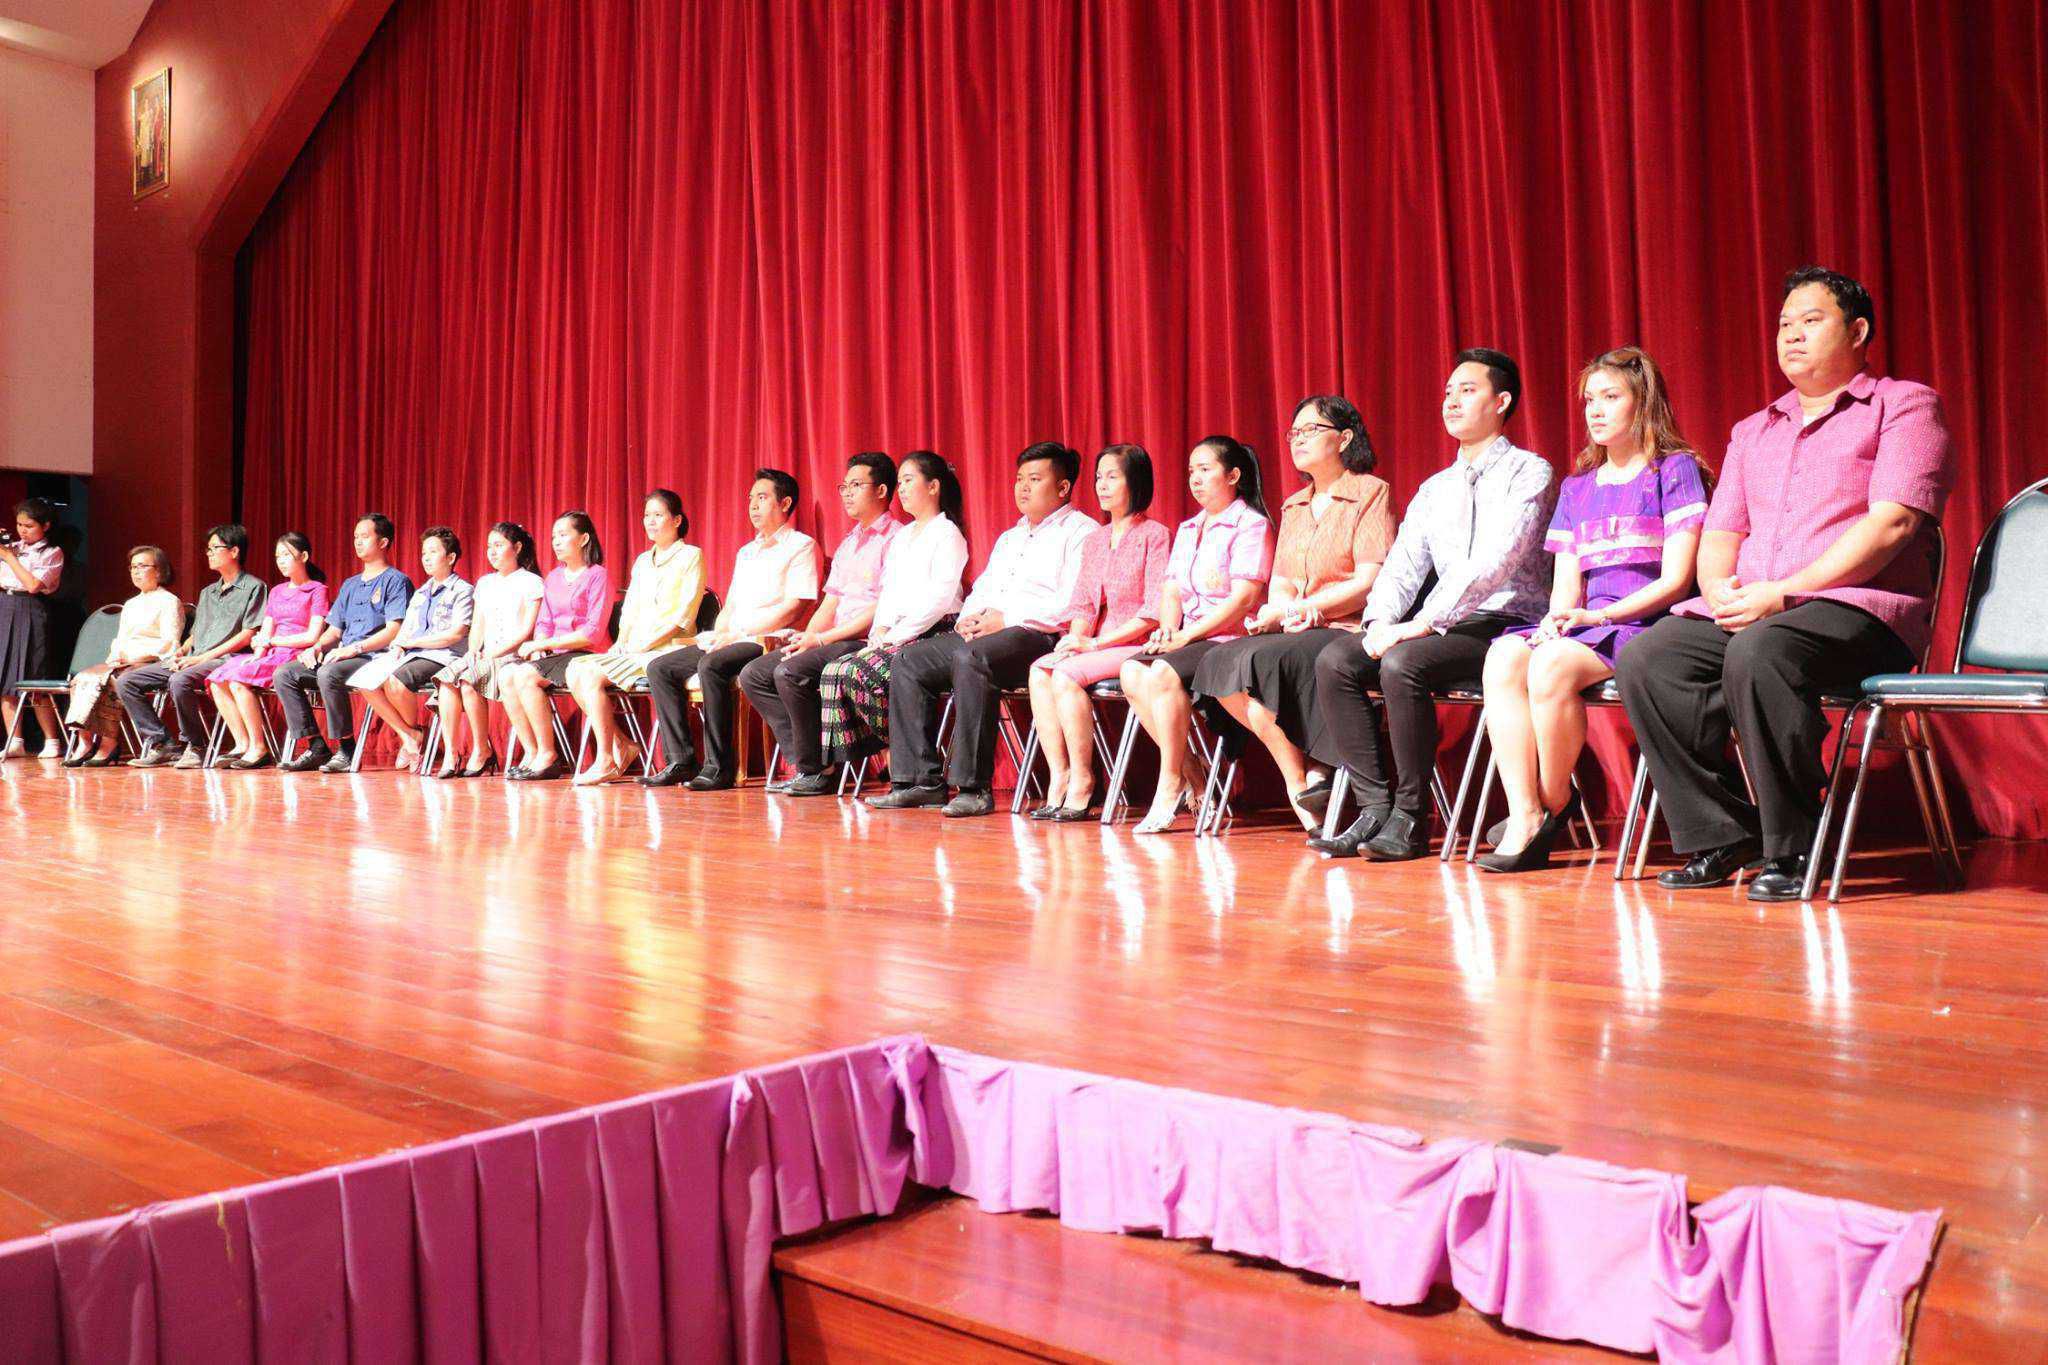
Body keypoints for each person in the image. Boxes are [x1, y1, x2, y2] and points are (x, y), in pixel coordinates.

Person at [1616, 267, 1952, 901]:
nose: (1792, 336)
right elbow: (1722, 533)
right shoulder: (1754, 430)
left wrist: (1787, 592)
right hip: (1761, 609)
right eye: (1784, 325)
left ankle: (1795, 844)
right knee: (1650, 657)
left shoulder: (1905, 405)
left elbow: (1894, 523)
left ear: (1858, 331)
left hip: (1858, 611)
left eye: (1810, 321)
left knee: (1762, 649)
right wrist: (1718, 590)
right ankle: (1725, 831)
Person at [1308, 350, 1555, 861]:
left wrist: (1420, 624)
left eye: (1467, 390)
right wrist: (1379, 622)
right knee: (1337, 659)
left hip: (1507, 624)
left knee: (1404, 663)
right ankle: (1374, 807)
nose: (1451, 401)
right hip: (1442, 625)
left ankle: (1411, 815)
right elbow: (1402, 566)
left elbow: (1495, 562)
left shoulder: (1530, 472)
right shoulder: (1435, 489)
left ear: (1501, 402)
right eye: (1447, 392)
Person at [1475, 348, 1708, 872]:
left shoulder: (1674, 470)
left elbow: (1676, 581)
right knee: (1504, 657)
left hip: (1648, 626)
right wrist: (1557, 620)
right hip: (1588, 624)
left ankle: (1553, 802)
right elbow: (1566, 587)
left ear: (1642, 402)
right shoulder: (1577, 488)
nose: (1595, 410)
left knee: (1550, 665)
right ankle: (1525, 812)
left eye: (1610, 397)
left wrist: (1598, 618)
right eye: (1589, 400)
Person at [1193, 396, 1396, 829]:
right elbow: (1283, 581)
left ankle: (1314, 782)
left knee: (1261, 665)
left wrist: (1307, 608)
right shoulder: (1294, 505)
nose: (1298, 440)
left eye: (1310, 430)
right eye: (1294, 433)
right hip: (1298, 626)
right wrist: (1276, 612)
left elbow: (1368, 580)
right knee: (1219, 661)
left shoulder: (1370, 492)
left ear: (1344, 438)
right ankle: (1300, 781)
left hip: (1346, 626)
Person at [868, 441, 1096, 818]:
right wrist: (970, 618)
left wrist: (1005, 619)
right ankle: (919, 781)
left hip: (1038, 635)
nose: (1023, 487)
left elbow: (1070, 602)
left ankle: (973, 787)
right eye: (1019, 479)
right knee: (908, 660)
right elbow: (983, 589)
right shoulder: (1011, 537)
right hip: (988, 632)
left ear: (1063, 487)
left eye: (1034, 479)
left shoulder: (1080, 532)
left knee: (971, 657)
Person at [1121, 439, 1273, 833]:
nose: (1195, 479)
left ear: (1233, 476)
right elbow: (1171, 590)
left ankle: (1169, 781)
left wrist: (1186, 636)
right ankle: (1193, 774)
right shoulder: (1189, 529)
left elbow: (1244, 599)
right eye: (1192, 471)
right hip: (1189, 636)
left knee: (1162, 673)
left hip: (1230, 638)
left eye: (1205, 469)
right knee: (1131, 672)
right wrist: (1168, 629)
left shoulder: (1251, 524)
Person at [737, 452, 905, 797]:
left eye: (856, 485)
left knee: (790, 672)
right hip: (833, 636)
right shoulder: (849, 542)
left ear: (882, 490)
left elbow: (882, 606)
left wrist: (822, 640)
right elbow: (831, 602)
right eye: (844, 486)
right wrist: (808, 636)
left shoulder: (897, 538)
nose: (847, 493)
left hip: (866, 639)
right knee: (755, 673)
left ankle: (817, 768)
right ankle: (811, 759)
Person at [640, 472, 815, 790]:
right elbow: (731, 605)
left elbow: (795, 607)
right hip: (733, 637)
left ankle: (718, 766)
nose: (753, 505)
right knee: (660, 668)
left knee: (712, 665)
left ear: (785, 503)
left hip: (768, 639)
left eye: (762, 497)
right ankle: (681, 760)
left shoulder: (801, 546)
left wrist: (738, 633)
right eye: (751, 499)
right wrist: (719, 632)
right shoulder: (746, 552)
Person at [1023, 445, 1170, 819]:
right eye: (1099, 477)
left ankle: (1085, 781)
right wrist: (1074, 640)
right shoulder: (1096, 539)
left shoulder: (1155, 535)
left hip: (1137, 643)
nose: (1102, 485)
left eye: (1112, 476)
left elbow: (1152, 613)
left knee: (1066, 675)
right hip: (1098, 644)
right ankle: (1060, 776)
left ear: (1135, 481)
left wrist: (1094, 643)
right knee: (1042, 669)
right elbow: (1083, 604)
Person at [816, 452, 969, 778]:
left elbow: (939, 600)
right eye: (900, 482)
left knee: (859, 672)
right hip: (897, 632)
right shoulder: (903, 537)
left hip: (935, 631)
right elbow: (889, 592)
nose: (903, 489)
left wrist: (895, 636)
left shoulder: (947, 533)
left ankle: (908, 755)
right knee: (833, 673)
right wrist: (880, 631)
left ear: (933, 486)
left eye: (909, 481)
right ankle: (892, 750)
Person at [569, 490, 707, 785]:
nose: (651, 521)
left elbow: (684, 614)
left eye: (658, 515)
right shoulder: (643, 560)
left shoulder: (691, 556)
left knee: (590, 675)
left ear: (677, 520)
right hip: (634, 648)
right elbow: (630, 609)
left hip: (667, 649)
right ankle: (621, 745)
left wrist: (645, 644)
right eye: (647, 516)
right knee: (574, 669)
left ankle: (606, 758)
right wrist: (621, 642)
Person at [273, 514, 414, 773]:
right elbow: (335, 630)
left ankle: (346, 748)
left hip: (373, 656)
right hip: (344, 655)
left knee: (329, 673)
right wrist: (316, 647)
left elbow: (394, 630)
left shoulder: (396, 580)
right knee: (285, 673)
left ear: (383, 542)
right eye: (356, 537)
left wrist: (354, 648)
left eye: (365, 536)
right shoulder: (350, 584)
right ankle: (316, 746)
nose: (358, 542)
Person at [119, 524, 268, 768]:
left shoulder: (254, 587)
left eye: (215, 548)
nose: (209, 553)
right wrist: (183, 650)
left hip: (227, 660)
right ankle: (163, 743)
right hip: (196, 657)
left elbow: (248, 634)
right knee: (127, 681)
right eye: (208, 549)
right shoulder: (208, 592)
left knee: (179, 680)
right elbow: (197, 633)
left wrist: (201, 658)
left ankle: (195, 746)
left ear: (234, 552)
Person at [347, 527, 474, 772]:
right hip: (414, 653)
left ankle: (413, 739)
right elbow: (405, 630)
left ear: (450, 557)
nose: (426, 558)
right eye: (424, 553)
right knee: (365, 681)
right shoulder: (421, 592)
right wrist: (398, 645)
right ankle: (410, 735)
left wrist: (413, 643)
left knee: (396, 681)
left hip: (445, 655)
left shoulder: (463, 590)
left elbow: (455, 635)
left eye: (433, 552)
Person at [500, 512, 612, 781]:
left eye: (563, 535)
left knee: (525, 676)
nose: (556, 542)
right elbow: (545, 622)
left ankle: (548, 755)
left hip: (586, 653)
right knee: (506, 676)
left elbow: (593, 632)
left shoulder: (598, 575)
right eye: (554, 537)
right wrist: (539, 645)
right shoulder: (553, 578)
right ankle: (533, 751)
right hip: (556, 654)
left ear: (583, 539)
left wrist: (544, 643)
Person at [432, 522, 544, 779]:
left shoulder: (532, 582)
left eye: (498, 545)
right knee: (447, 679)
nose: (492, 552)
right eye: (489, 546)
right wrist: (473, 650)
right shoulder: (485, 583)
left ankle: (481, 750)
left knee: (468, 681)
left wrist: (493, 653)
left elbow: (526, 631)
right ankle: (452, 753)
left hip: (513, 657)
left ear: (517, 547)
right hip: (485, 656)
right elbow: (478, 625)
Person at [208, 534, 330, 769]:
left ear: (303, 556)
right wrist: (258, 653)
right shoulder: (276, 591)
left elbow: (312, 636)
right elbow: (266, 630)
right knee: (217, 680)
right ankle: (242, 743)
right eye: (277, 556)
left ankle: (258, 747)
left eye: (286, 555)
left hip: (295, 654)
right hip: (272, 652)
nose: (281, 561)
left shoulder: (317, 590)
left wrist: (272, 641)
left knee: (237, 681)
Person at [60, 547, 183, 767]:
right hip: (124, 660)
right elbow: (120, 639)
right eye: (133, 567)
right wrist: (115, 657)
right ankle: (84, 742)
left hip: (151, 661)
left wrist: (135, 657)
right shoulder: (132, 604)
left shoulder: (169, 601)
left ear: (159, 570)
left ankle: (109, 743)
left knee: (112, 680)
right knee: (84, 678)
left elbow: (170, 642)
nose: (136, 571)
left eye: (142, 566)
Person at [0, 497, 65, 758]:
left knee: (35, 678)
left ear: (45, 525)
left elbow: (33, 585)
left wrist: (10, 559)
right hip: (5, 605)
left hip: (31, 608)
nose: (23, 531)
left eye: (29, 526)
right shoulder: (12, 547)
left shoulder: (51, 552)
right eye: (19, 525)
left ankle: (52, 740)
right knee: (4, 677)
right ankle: (15, 740)